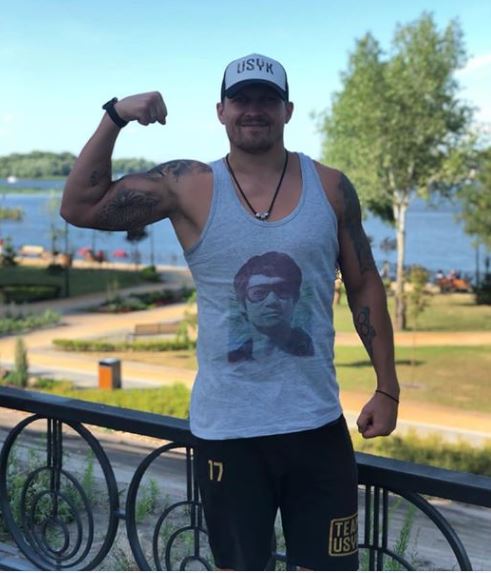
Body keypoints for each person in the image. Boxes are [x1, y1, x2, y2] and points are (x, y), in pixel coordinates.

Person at [61, 53, 399, 571]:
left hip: (316, 425)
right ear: (221, 110)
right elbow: (79, 206)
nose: (254, 109)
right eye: (241, 99)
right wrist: (116, 115)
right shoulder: (189, 186)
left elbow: (364, 282)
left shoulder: (331, 187)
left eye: (267, 99)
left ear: (288, 110)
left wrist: (387, 387)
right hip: (228, 433)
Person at [229, 250, 314, 362]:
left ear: (295, 298)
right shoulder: (234, 358)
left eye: (282, 290)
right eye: (259, 293)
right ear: (242, 303)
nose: (272, 301)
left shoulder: (312, 350)